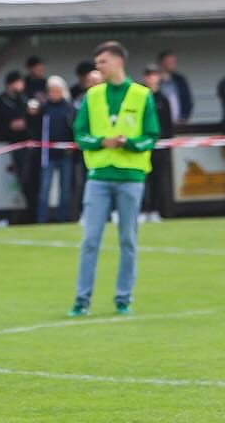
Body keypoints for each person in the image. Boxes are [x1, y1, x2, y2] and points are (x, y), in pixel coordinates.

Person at [69, 41, 159, 318]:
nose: (98, 67)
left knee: (128, 240)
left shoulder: (142, 95)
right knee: (90, 240)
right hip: (98, 177)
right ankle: (81, 300)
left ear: (119, 61)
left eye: (103, 62)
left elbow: (151, 136)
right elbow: (79, 134)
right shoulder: (92, 95)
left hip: (131, 177)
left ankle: (123, 298)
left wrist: (128, 143)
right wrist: (100, 141)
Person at [0, 70, 39, 222]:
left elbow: (38, 121)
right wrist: (10, 127)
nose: (21, 86)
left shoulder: (26, 99)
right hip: (16, 145)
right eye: (18, 83)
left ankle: (36, 213)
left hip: (33, 145)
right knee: (24, 180)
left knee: (35, 179)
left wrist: (31, 117)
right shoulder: (0, 102)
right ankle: (29, 214)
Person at [36, 77, 77, 224]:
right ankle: (41, 218)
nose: (53, 94)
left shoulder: (69, 108)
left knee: (65, 188)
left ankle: (63, 217)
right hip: (47, 154)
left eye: (56, 91)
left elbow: (74, 128)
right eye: (51, 91)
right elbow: (35, 126)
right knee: (44, 187)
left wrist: (72, 146)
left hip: (65, 153)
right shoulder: (44, 108)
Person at [140, 64, 174, 224]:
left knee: (158, 180)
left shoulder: (163, 99)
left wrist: (167, 142)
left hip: (160, 146)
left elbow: (168, 124)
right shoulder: (140, 97)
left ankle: (155, 210)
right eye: (148, 75)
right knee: (142, 180)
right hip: (143, 145)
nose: (151, 78)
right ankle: (142, 210)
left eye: (154, 75)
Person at [155, 50, 193, 126]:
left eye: (174, 61)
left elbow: (188, 100)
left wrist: (184, 117)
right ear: (162, 63)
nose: (174, 64)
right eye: (170, 61)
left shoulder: (180, 80)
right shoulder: (155, 81)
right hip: (160, 125)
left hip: (179, 124)